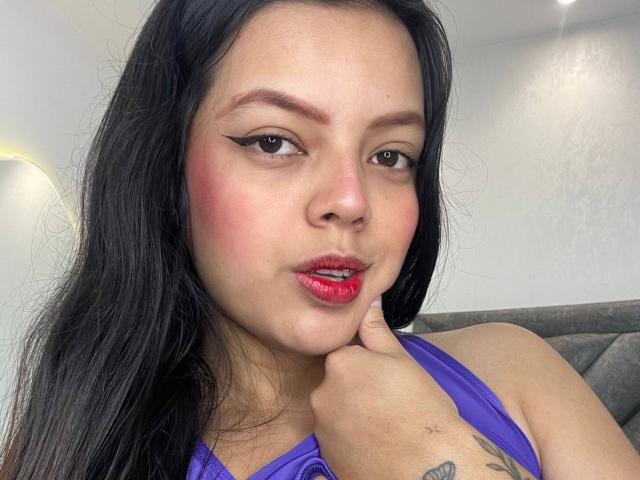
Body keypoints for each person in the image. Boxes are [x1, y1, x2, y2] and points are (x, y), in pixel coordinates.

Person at [2, 0, 638, 479]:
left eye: (390, 155)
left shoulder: (515, 369)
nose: (352, 200)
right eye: (273, 141)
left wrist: (436, 455)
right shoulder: (71, 444)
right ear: (166, 169)